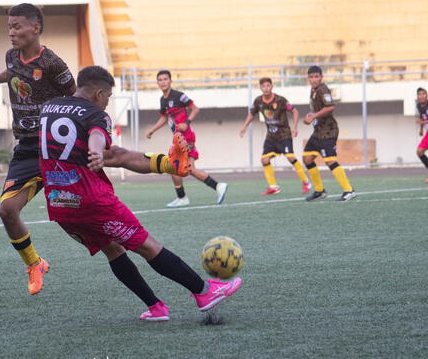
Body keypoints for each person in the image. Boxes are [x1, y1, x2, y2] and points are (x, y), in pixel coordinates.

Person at [0, 3, 190, 296]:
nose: (11, 33)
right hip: (27, 148)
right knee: (7, 211)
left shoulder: (54, 64)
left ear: (35, 28)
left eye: (17, 27)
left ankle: (156, 301)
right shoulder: (11, 56)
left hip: (56, 151)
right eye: (9, 27)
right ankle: (34, 263)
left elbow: (77, 100)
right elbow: (15, 72)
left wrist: (91, 133)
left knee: (110, 225)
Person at [39, 65, 242, 321]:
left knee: (112, 249)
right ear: (99, 93)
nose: (107, 103)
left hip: (59, 204)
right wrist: (96, 149)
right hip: (92, 202)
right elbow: (99, 140)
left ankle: (156, 307)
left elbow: (116, 155)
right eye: (108, 97)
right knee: (148, 246)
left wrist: (164, 163)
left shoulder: (49, 108)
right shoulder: (94, 114)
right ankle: (203, 292)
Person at [145, 70, 227, 207]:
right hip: (178, 137)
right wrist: (152, 130)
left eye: (165, 79)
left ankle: (190, 195)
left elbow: (195, 109)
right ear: (157, 83)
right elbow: (165, 117)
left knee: (176, 166)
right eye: (160, 79)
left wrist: (186, 123)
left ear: (170, 81)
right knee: (182, 168)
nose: (163, 81)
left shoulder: (179, 96)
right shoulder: (163, 100)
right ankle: (212, 188)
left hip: (186, 136)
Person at [239, 77, 312, 195]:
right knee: (264, 160)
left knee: (290, 157)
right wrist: (245, 126)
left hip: (284, 135)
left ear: (272, 86)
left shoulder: (280, 100)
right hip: (271, 137)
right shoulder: (258, 101)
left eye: (268, 85)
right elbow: (251, 113)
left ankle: (306, 182)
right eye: (263, 86)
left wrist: (294, 127)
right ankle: (273, 186)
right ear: (260, 88)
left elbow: (295, 111)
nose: (266, 88)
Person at [302, 66, 356, 201]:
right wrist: (311, 115)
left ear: (321, 77)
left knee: (330, 160)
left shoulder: (323, 89)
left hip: (328, 130)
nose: (314, 80)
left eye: (316, 77)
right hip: (318, 131)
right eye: (311, 77)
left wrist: (313, 116)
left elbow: (330, 107)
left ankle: (349, 190)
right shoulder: (313, 90)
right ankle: (320, 191)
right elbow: (318, 110)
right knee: (307, 158)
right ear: (308, 78)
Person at [414, 87, 428, 183]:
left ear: (427, 96)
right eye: (420, 94)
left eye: (424, 94)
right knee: (419, 152)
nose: (422, 96)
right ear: (417, 96)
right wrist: (421, 129)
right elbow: (421, 117)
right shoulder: (419, 106)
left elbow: (423, 120)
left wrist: (423, 122)